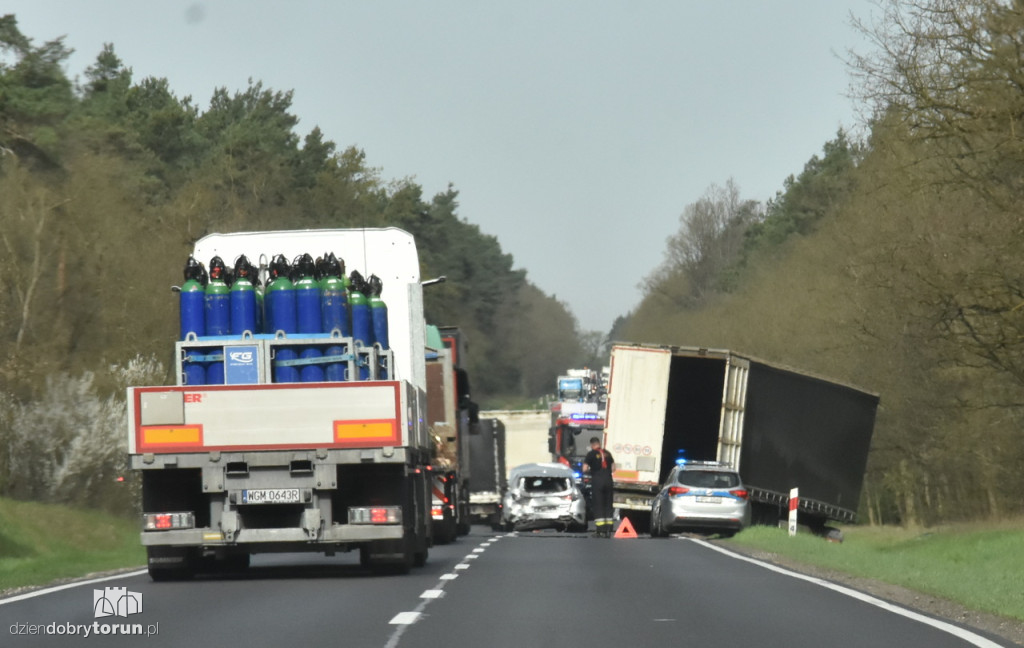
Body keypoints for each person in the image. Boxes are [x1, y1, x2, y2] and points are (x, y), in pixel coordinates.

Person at [582, 436, 615, 537]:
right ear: (599, 443)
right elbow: (613, 468)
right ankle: (609, 529)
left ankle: (601, 530)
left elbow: (584, 468)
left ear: (592, 445)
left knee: (599, 504)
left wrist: (591, 470)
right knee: (608, 504)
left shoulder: (591, 454)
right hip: (609, 481)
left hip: (598, 481)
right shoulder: (608, 453)